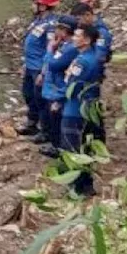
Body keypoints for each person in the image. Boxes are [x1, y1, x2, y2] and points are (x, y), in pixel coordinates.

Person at [57, 22, 106, 197]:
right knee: (86, 147)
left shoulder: (83, 61)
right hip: (89, 109)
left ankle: (77, 188)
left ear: (85, 40)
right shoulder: (93, 58)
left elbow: (73, 86)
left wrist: (57, 99)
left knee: (73, 148)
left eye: (77, 36)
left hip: (75, 111)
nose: (73, 38)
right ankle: (86, 185)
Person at [19, 0, 62, 136]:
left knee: (42, 100)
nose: (32, 5)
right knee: (28, 94)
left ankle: (46, 131)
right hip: (30, 65)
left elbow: (50, 49)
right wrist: (25, 63)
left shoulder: (51, 25)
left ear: (43, 6)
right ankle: (32, 124)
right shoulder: (37, 21)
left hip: (40, 67)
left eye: (35, 2)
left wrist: (44, 72)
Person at [36, 16, 77, 157]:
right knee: (53, 120)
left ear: (66, 31)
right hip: (53, 88)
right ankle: (55, 145)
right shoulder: (63, 45)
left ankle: (58, 148)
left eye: (59, 29)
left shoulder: (70, 49)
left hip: (58, 90)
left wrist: (49, 50)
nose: (56, 31)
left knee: (57, 121)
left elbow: (53, 65)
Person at [75, 0, 113, 64]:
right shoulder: (88, 28)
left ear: (87, 15)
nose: (78, 23)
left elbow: (100, 57)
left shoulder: (101, 33)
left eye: (79, 19)